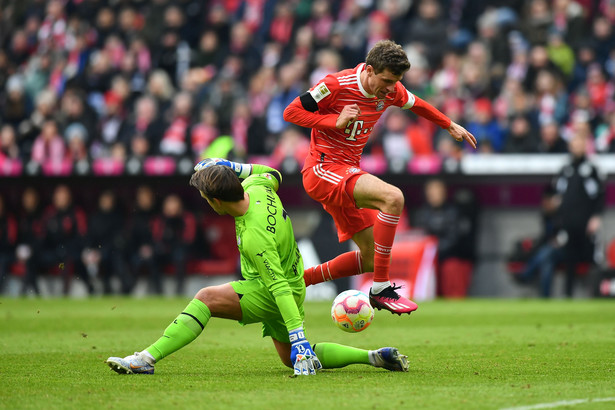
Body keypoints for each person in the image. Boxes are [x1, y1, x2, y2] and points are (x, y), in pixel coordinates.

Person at [106, 159, 408, 376]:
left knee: (206, 298)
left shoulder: (254, 237)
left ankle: (146, 358)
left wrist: (297, 336)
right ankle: (373, 357)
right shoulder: (257, 186)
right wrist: (230, 165)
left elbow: (275, 286)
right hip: (293, 285)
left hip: (274, 291)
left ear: (216, 201)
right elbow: (272, 173)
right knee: (291, 361)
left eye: (205, 198)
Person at [283, 39, 477, 314]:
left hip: (346, 171)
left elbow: (417, 104)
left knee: (371, 258)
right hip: (322, 170)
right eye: (386, 80)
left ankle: (299, 280)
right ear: (370, 70)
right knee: (393, 197)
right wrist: (332, 121)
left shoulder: (390, 90)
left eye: (395, 81)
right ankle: (381, 288)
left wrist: (449, 125)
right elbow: (291, 112)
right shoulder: (336, 85)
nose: (390, 88)